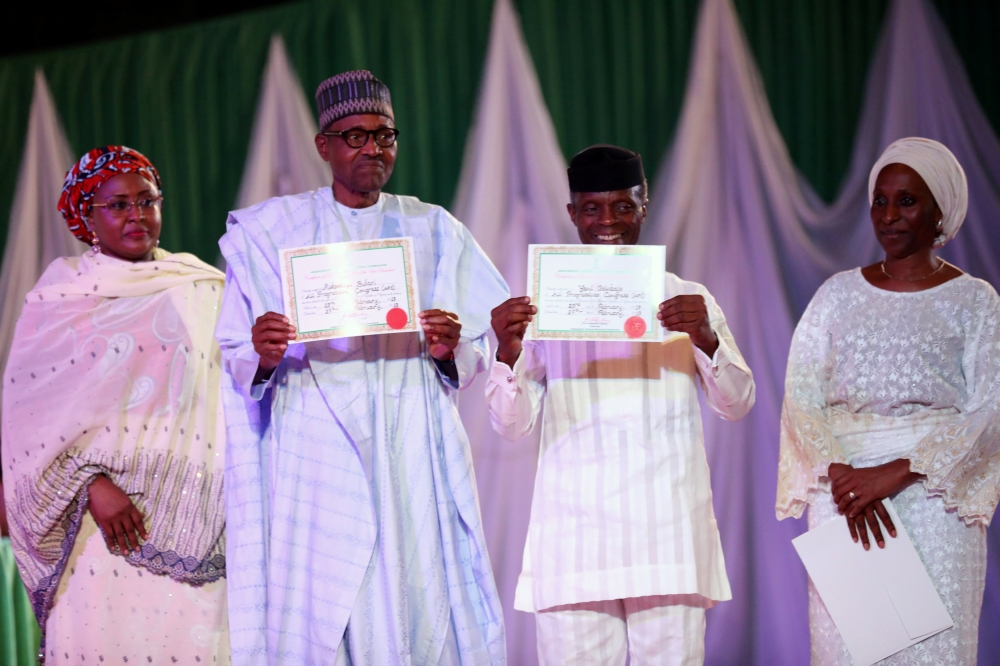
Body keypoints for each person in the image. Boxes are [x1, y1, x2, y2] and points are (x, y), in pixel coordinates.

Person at [216, 70, 508, 665]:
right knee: (328, 605)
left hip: (409, 448)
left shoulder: (434, 229)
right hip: (314, 450)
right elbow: (233, 355)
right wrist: (263, 353)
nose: (373, 149)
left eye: (385, 135)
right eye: (355, 136)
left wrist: (451, 350)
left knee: (414, 592)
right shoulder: (272, 233)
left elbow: (484, 341)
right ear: (323, 145)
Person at [485, 145, 755, 666]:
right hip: (575, 540)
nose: (608, 221)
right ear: (572, 214)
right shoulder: (546, 303)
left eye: (623, 207)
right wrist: (506, 350)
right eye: (592, 208)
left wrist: (705, 337)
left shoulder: (686, 298)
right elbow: (511, 425)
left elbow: (737, 403)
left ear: (644, 205)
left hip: (667, 536)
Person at [1, 146, 229, 665]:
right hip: (100, 529)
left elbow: (229, 389)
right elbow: (28, 421)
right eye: (118, 205)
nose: (137, 216)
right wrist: (90, 485)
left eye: (147, 201)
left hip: (200, 514)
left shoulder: (200, 285)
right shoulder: (60, 299)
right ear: (86, 215)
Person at [777, 137, 1000, 664]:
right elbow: (801, 397)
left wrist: (897, 471)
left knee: (933, 651)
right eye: (881, 200)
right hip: (846, 495)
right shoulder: (836, 294)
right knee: (850, 651)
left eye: (907, 201)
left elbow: (991, 409)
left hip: (934, 494)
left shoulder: (975, 300)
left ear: (940, 210)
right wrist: (842, 474)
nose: (890, 215)